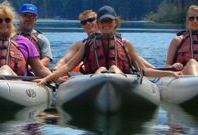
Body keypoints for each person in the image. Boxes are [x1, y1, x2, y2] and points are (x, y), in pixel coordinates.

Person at [36, 5, 179, 85]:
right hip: (96, 83)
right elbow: (67, 66)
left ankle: (113, 80)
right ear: (99, 24)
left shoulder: (126, 44)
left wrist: (168, 73)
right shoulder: (87, 45)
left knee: (114, 67)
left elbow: (143, 70)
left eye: (109, 21)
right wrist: (48, 78)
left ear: (115, 22)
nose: (106, 25)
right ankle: (104, 80)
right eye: (103, 22)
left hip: (122, 82)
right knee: (103, 68)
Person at [16, 3, 53, 68]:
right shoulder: (9, 36)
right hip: (12, 72)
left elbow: (46, 60)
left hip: (32, 74)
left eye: (31, 17)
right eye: (25, 15)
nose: (28, 19)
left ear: (36, 19)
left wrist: (28, 68)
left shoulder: (41, 39)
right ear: (19, 16)